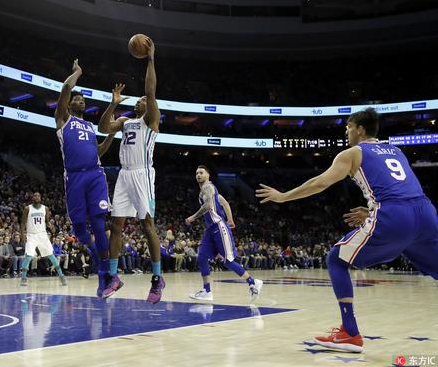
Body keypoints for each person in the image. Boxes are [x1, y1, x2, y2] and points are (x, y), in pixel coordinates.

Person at [256, 108, 438, 353]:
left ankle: (350, 333)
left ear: (360, 129)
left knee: (336, 259)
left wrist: (283, 196)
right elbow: (402, 191)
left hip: (395, 215)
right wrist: (374, 212)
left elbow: (320, 182)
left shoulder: (353, 153)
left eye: (348, 127)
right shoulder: (396, 150)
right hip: (426, 213)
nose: (346, 132)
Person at [98, 38, 165, 303]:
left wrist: (151, 59)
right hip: (124, 174)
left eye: (144, 100)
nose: (141, 100)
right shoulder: (126, 121)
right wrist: (113, 104)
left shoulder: (151, 120)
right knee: (116, 224)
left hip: (142, 174)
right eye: (138, 99)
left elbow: (150, 91)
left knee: (147, 225)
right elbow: (104, 128)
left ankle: (157, 278)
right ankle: (114, 277)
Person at [54, 59, 115, 297]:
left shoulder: (90, 125)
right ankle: (94, 255)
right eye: (77, 99)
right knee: (80, 228)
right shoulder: (63, 119)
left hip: (95, 174)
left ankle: (105, 276)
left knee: (99, 224)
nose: (81, 101)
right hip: (74, 177)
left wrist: (111, 134)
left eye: (83, 99)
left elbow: (98, 151)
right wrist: (78, 72)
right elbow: (65, 88)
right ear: (69, 104)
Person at [185, 165, 263, 302]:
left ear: (208, 175)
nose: (198, 175)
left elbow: (208, 206)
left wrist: (193, 217)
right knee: (202, 256)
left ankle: (252, 282)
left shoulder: (207, 187)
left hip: (218, 227)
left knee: (228, 261)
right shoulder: (211, 190)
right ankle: (207, 291)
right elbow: (225, 203)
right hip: (210, 229)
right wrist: (230, 219)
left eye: (201, 172)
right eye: (196, 173)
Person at [19, 192, 66, 286]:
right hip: (31, 235)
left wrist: (51, 226)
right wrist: (22, 237)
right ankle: (23, 278)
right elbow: (23, 223)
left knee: (51, 255)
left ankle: (61, 276)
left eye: (38, 196)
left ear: (41, 198)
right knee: (28, 256)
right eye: (35, 195)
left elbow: (47, 221)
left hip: (42, 235)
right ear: (32, 198)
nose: (36, 197)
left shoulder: (45, 208)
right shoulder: (27, 208)